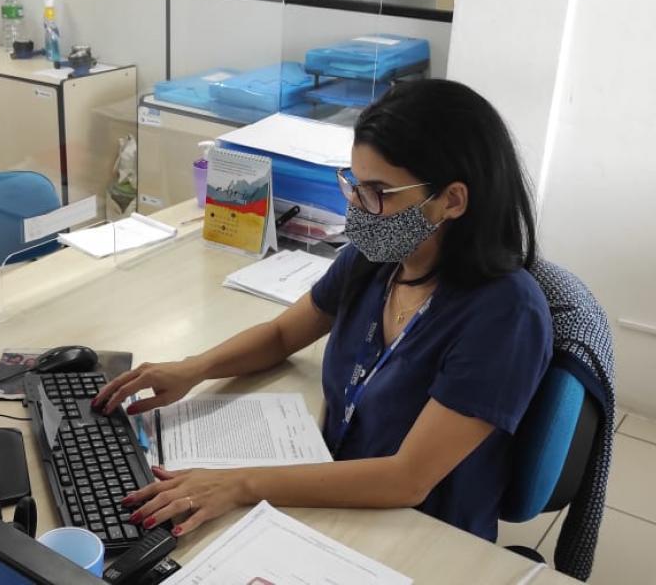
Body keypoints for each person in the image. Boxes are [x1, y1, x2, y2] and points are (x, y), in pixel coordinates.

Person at [93, 79, 553, 542]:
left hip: (419, 534)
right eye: (354, 184)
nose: (357, 207)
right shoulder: (376, 261)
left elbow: (407, 479)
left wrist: (238, 485)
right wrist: (193, 369)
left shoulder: (507, 315)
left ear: (451, 200)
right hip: (330, 491)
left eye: (379, 191)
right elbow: (281, 336)